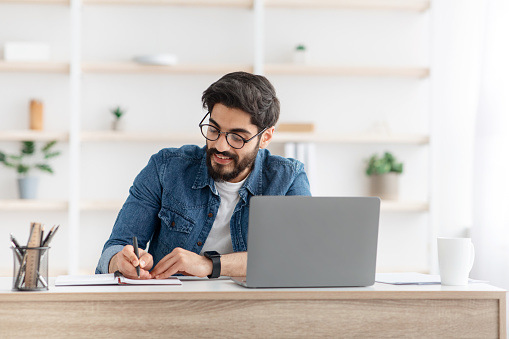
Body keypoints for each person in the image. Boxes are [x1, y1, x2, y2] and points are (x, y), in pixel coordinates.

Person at [95, 71, 311, 279]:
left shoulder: (288, 178)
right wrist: (120, 261)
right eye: (213, 129)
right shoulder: (165, 168)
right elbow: (114, 248)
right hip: (172, 307)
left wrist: (209, 265)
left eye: (237, 137)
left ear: (265, 137)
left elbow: (299, 258)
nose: (220, 146)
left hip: (252, 310)